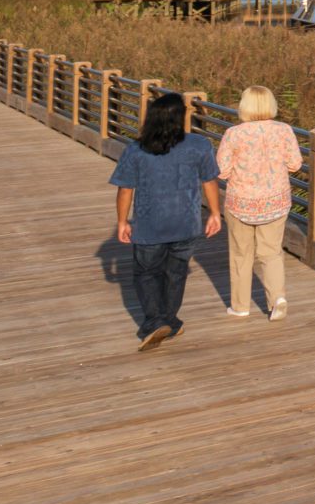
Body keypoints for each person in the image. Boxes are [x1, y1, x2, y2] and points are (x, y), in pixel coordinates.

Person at [111, 91, 223, 350]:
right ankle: (170, 320)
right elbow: (209, 181)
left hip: (150, 226)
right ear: (182, 118)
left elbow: (125, 189)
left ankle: (154, 321)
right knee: (176, 273)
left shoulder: (136, 149)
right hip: (186, 224)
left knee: (147, 273)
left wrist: (122, 221)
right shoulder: (199, 144)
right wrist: (215, 214)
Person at [215, 85, 301, 321]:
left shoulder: (234, 133)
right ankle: (277, 299)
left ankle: (240, 306)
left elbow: (221, 171)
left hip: (241, 202)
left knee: (241, 254)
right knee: (271, 252)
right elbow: (295, 164)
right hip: (275, 201)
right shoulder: (284, 130)